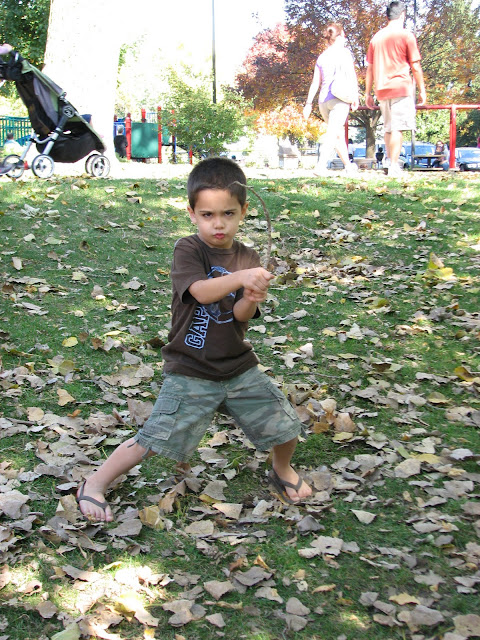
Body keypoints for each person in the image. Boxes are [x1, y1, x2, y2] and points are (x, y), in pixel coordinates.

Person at [76, 157, 312, 522]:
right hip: (191, 368)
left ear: (243, 211)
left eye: (228, 214)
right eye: (207, 215)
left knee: (284, 425)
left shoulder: (247, 256)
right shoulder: (188, 249)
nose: (218, 223)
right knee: (154, 439)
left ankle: (282, 469)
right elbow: (200, 292)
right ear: (192, 213)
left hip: (237, 366)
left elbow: (240, 316)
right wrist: (242, 278)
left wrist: (251, 297)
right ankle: (94, 483)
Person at [365, 1, 427, 178]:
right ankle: (393, 165)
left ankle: (388, 161)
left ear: (387, 16)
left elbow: (370, 68)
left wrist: (367, 93)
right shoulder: (406, 35)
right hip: (400, 86)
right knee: (397, 128)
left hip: (382, 88)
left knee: (388, 127)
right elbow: (415, 65)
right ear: (403, 15)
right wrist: (422, 89)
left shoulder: (376, 38)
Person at [303, 23, 359, 177]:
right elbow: (351, 75)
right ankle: (320, 166)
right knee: (333, 133)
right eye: (344, 35)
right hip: (339, 98)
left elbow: (316, 82)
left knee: (337, 134)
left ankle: (348, 166)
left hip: (323, 101)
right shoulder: (344, 53)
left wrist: (308, 103)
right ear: (340, 36)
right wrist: (355, 96)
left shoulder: (322, 57)